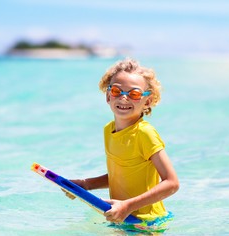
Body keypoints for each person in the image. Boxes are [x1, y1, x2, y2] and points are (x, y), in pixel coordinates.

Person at [71, 58, 179, 225]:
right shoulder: (109, 130)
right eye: (116, 91)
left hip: (147, 222)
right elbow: (121, 176)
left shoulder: (144, 133)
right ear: (108, 96)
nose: (124, 98)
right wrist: (85, 185)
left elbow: (172, 183)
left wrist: (128, 206)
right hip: (122, 216)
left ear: (147, 101)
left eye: (134, 94)